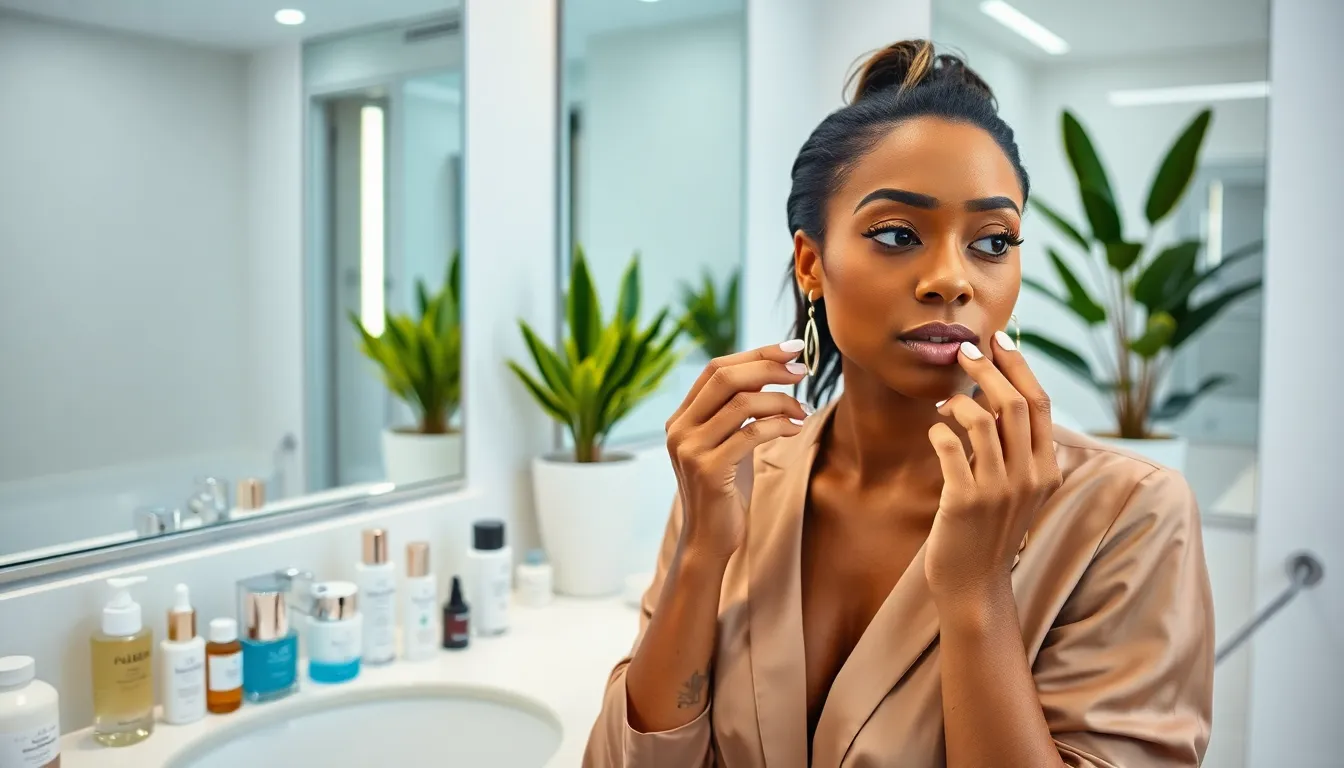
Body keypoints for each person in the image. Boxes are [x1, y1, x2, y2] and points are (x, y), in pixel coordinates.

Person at [583, 40, 1213, 768]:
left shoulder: (1127, 514)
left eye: (992, 241)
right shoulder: (740, 474)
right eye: (896, 234)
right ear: (812, 265)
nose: (951, 279)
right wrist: (700, 554)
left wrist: (977, 592)